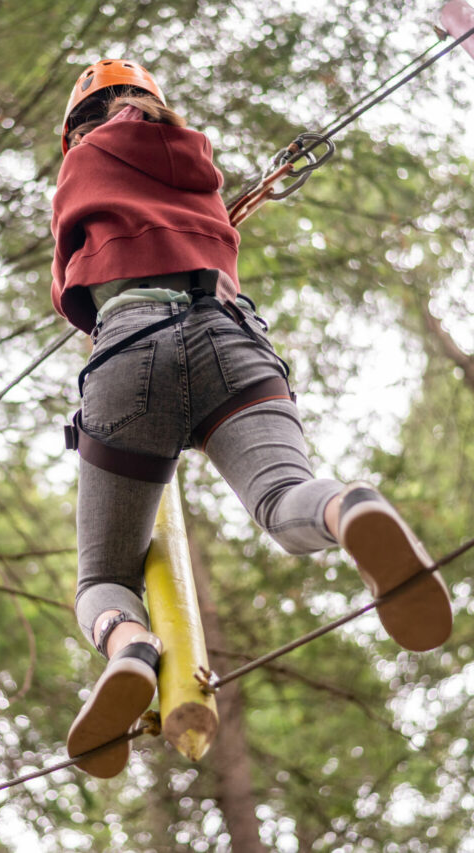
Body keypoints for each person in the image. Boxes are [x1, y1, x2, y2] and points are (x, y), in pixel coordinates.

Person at [50, 59, 452, 779]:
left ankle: (130, 646)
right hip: (229, 332)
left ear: (78, 125)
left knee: (103, 575)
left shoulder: (81, 164)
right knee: (282, 496)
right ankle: (346, 506)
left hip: (128, 344)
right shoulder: (198, 163)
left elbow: (71, 287)